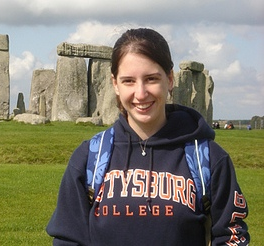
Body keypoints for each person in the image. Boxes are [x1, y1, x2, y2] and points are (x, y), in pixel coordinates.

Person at [46, 28, 249, 245]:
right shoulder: (90, 158)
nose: (141, 93)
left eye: (151, 79)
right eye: (128, 81)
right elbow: (68, 238)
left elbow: (231, 237)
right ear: (115, 84)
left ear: (170, 80)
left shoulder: (208, 159)